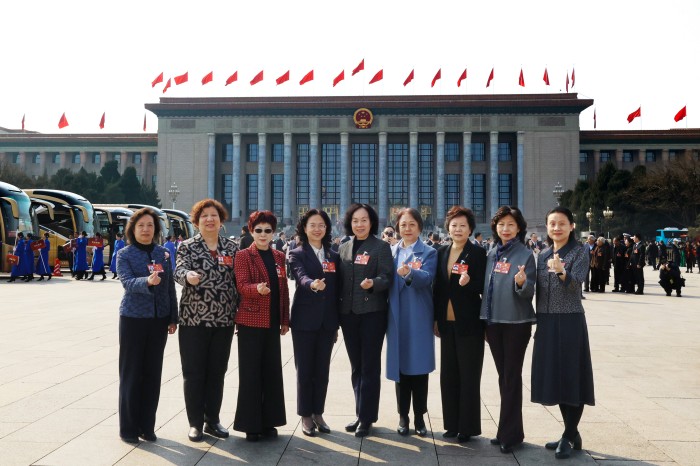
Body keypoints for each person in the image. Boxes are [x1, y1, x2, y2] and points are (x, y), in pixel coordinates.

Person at [532, 206, 595, 460]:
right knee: (556, 377)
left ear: (571, 226)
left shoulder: (580, 251)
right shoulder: (543, 254)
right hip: (546, 320)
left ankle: (568, 435)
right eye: (552, 224)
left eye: (561, 223)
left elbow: (576, 285)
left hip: (570, 320)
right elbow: (537, 290)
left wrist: (561, 271)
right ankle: (571, 432)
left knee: (572, 376)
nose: (556, 228)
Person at [174, 199, 239, 442]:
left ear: (221, 221)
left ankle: (212, 419)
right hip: (194, 320)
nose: (209, 219)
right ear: (196, 222)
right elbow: (179, 270)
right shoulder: (187, 247)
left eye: (214, 215)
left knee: (217, 372)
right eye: (204, 216)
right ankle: (195, 423)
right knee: (193, 372)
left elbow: (239, 280)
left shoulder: (231, 248)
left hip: (223, 320)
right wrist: (187, 276)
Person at [116, 208, 178, 444]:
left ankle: (147, 426)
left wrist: (173, 317)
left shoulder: (163, 254)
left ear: (156, 229)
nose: (145, 229)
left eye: (150, 225)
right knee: (131, 373)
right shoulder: (124, 254)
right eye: (141, 225)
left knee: (152, 374)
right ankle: (128, 429)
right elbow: (127, 282)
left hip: (158, 320)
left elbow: (170, 287)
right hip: (133, 319)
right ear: (133, 229)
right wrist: (147, 281)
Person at [480, 206, 536, 454]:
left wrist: (522, 283)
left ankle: (510, 435)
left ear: (519, 228)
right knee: (504, 377)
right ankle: (508, 430)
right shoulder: (492, 253)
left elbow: (528, 292)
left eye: (511, 224)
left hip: (516, 324)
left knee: (511, 377)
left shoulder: (525, 255)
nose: (505, 229)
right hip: (494, 323)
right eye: (501, 224)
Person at [233, 210, 290, 442]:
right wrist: (256, 289)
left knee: (271, 372)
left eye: (268, 230)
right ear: (251, 231)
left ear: (273, 232)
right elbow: (241, 285)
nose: (263, 234)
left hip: (272, 322)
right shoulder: (243, 255)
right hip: (251, 322)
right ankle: (251, 424)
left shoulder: (279, 256)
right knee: (251, 374)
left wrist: (285, 319)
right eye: (258, 230)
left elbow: (283, 290)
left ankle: (269, 421)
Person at [338, 203, 393, 438]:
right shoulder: (344, 247)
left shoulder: (381, 247)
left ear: (371, 222)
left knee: (370, 366)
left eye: (364, 220)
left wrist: (374, 284)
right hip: (348, 314)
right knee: (356, 366)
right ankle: (360, 412)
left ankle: (367, 418)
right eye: (355, 221)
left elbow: (387, 277)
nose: (359, 224)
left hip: (372, 314)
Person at [433, 206, 487, 442]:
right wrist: (436, 318)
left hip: (469, 323)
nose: (458, 229)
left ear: (470, 229)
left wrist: (469, 282)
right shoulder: (441, 252)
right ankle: (452, 424)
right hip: (447, 323)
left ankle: (467, 427)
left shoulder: (477, 253)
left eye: (462, 225)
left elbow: (484, 286)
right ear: (448, 228)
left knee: (469, 376)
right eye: (454, 225)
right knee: (449, 376)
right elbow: (438, 288)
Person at [385, 208, 437, 438]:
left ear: (420, 227)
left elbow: (427, 277)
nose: (407, 229)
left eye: (412, 224)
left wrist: (409, 274)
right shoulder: (390, 252)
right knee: (401, 368)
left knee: (419, 368)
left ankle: (419, 416)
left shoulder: (428, 252)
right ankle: (403, 415)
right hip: (396, 315)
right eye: (403, 224)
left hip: (418, 315)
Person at [287, 209, 340, 437]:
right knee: (305, 370)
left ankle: (318, 412)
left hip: (327, 322)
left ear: (326, 228)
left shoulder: (334, 255)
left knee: (322, 370)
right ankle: (306, 415)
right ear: (304, 228)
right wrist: (312, 284)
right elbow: (300, 276)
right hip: (304, 321)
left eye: (321, 225)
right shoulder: (297, 253)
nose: (317, 229)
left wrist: (336, 323)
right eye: (312, 225)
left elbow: (337, 290)